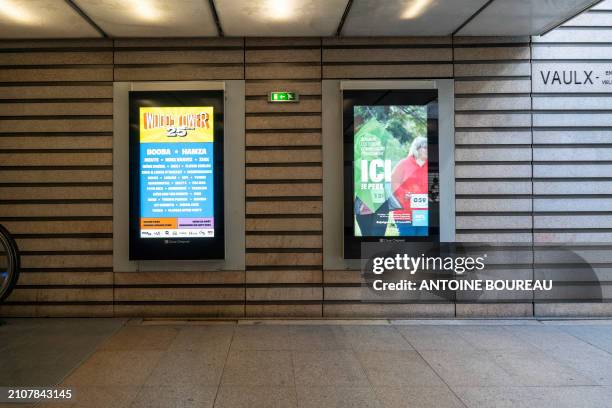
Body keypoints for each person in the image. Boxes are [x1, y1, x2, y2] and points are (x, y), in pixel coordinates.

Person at [391, 136, 428, 236]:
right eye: (425, 147)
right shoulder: (404, 164)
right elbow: (394, 182)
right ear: (417, 148)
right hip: (404, 213)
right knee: (408, 243)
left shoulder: (431, 165)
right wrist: (403, 194)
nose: (428, 150)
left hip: (423, 213)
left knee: (422, 242)